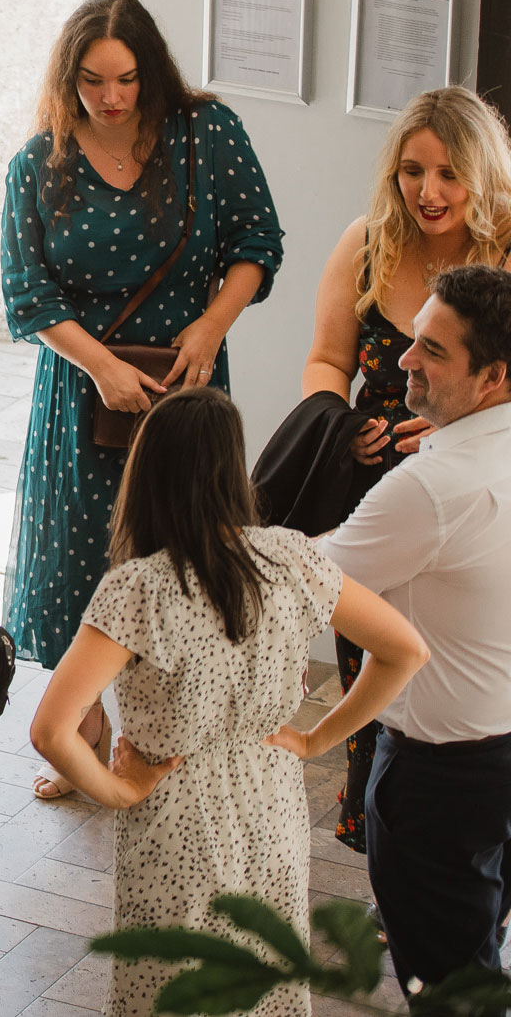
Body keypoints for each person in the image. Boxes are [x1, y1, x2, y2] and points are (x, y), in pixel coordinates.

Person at [30, 388, 426, 1017]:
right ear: (234, 472)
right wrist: (313, 741)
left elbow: (52, 730)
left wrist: (118, 792)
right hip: (271, 803)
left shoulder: (139, 591)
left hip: (172, 813)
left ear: (147, 471)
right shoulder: (293, 557)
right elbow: (405, 650)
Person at [0, 0, 283, 800]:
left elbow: (258, 242)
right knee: (81, 556)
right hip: (83, 389)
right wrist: (100, 368)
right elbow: (27, 295)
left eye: (124, 79)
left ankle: (167, 730)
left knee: (181, 552)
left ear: (149, 70)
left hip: (187, 390)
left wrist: (210, 327)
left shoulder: (208, 134)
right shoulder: (38, 163)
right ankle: (85, 727)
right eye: (91, 81)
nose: (110, 97)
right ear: (69, 78)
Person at [296, 85, 511, 852]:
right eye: (413, 171)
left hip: (477, 492)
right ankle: (391, 842)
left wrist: (460, 437)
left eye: (450, 173)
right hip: (375, 487)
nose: (429, 192)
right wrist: (344, 425)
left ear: (483, 175)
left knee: (456, 663)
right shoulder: (367, 242)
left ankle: (460, 855)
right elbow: (325, 360)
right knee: (375, 671)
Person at [318, 264, 511, 1002]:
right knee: (479, 944)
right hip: (499, 759)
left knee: (454, 990)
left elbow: (305, 582)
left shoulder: (432, 487)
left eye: (431, 349)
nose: (402, 360)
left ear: (491, 375)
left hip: (444, 783)